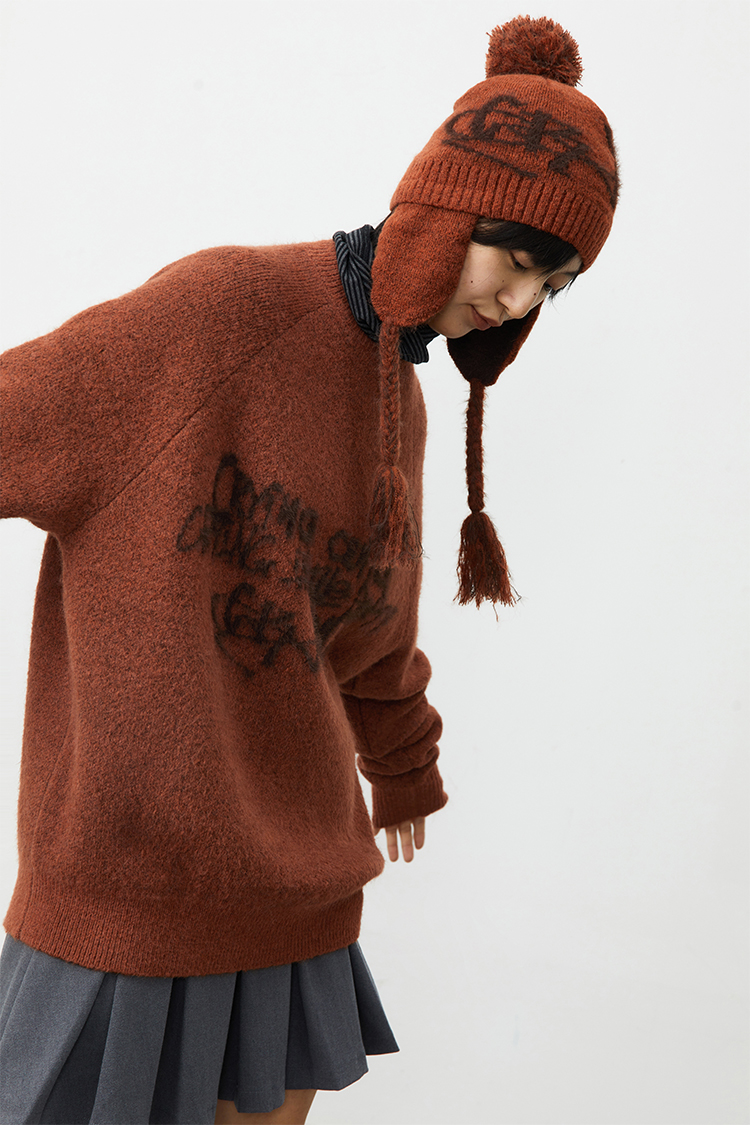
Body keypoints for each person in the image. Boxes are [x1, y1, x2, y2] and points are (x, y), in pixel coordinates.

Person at [0, 15, 618, 1125]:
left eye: (552, 287)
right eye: (517, 261)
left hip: (295, 889)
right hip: (127, 885)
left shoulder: (399, 408)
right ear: (444, 208)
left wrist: (404, 760)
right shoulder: (218, 312)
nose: (520, 304)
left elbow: (371, 628)